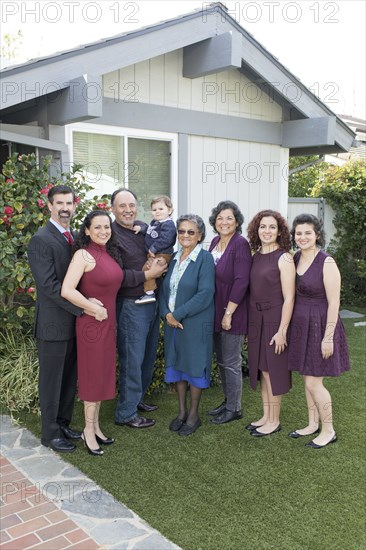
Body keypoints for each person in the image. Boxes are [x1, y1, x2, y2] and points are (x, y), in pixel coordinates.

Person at [27, 184, 98, 453]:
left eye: (69, 203)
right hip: (54, 325)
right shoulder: (41, 239)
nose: (65, 208)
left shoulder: (75, 237)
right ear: (49, 205)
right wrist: (82, 308)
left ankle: (64, 423)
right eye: (59, 203)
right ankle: (50, 433)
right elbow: (49, 286)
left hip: (74, 325)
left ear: (74, 205)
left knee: (68, 378)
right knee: (51, 381)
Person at [61, 211, 123, 456]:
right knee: (92, 377)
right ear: (86, 230)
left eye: (106, 227)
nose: (103, 231)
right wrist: (92, 306)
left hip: (108, 324)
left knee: (101, 375)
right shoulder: (82, 255)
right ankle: (88, 430)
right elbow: (66, 290)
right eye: (97, 227)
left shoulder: (107, 253)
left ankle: (96, 426)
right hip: (92, 325)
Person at [287, 214, 350, 449]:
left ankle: (328, 430)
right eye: (298, 233)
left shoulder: (327, 262)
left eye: (307, 233)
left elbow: (334, 303)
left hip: (321, 325)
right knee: (307, 378)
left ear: (317, 235)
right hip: (301, 325)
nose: (302, 237)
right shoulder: (294, 258)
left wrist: (328, 336)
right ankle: (312, 424)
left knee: (315, 382)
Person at [111, 188, 168, 429]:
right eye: (122, 206)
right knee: (132, 360)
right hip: (131, 304)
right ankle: (126, 412)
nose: (128, 210)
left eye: (131, 205)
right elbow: (115, 276)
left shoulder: (143, 227)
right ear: (113, 209)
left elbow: (163, 237)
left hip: (151, 301)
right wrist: (148, 274)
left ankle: (137, 399)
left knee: (146, 356)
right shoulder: (111, 235)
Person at [159, 214, 215, 436]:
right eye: (181, 231)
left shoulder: (205, 259)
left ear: (200, 235)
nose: (185, 235)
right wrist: (166, 313)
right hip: (173, 323)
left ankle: (193, 415)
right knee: (178, 366)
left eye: (191, 232)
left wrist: (177, 314)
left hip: (194, 323)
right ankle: (181, 412)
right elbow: (164, 290)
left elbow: (205, 293)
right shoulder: (173, 258)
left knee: (194, 367)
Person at [246, 209, 295, 436]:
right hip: (256, 318)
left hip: (275, 318)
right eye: (263, 226)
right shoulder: (255, 255)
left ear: (279, 231)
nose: (267, 231)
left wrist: (282, 331)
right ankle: (266, 415)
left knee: (272, 370)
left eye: (272, 227)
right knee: (261, 369)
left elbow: (289, 297)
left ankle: (274, 421)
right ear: (257, 229)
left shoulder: (284, 257)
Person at [207, 201, 252, 424]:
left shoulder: (240, 244)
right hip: (214, 310)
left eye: (229, 218)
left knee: (231, 361)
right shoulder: (215, 241)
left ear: (237, 222)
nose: (224, 222)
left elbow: (241, 281)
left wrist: (228, 313)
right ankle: (228, 401)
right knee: (221, 359)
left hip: (231, 311)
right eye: (220, 218)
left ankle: (235, 408)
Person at [133, 195, 176, 304]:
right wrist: (141, 228)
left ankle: (149, 293)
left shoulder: (168, 224)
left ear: (169, 210)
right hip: (155, 254)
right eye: (154, 209)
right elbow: (149, 230)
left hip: (162, 254)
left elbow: (166, 239)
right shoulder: (155, 222)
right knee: (148, 269)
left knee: (147, 270)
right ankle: (151, 291)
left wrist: (154, 248)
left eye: (161, 209)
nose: (157, 212)